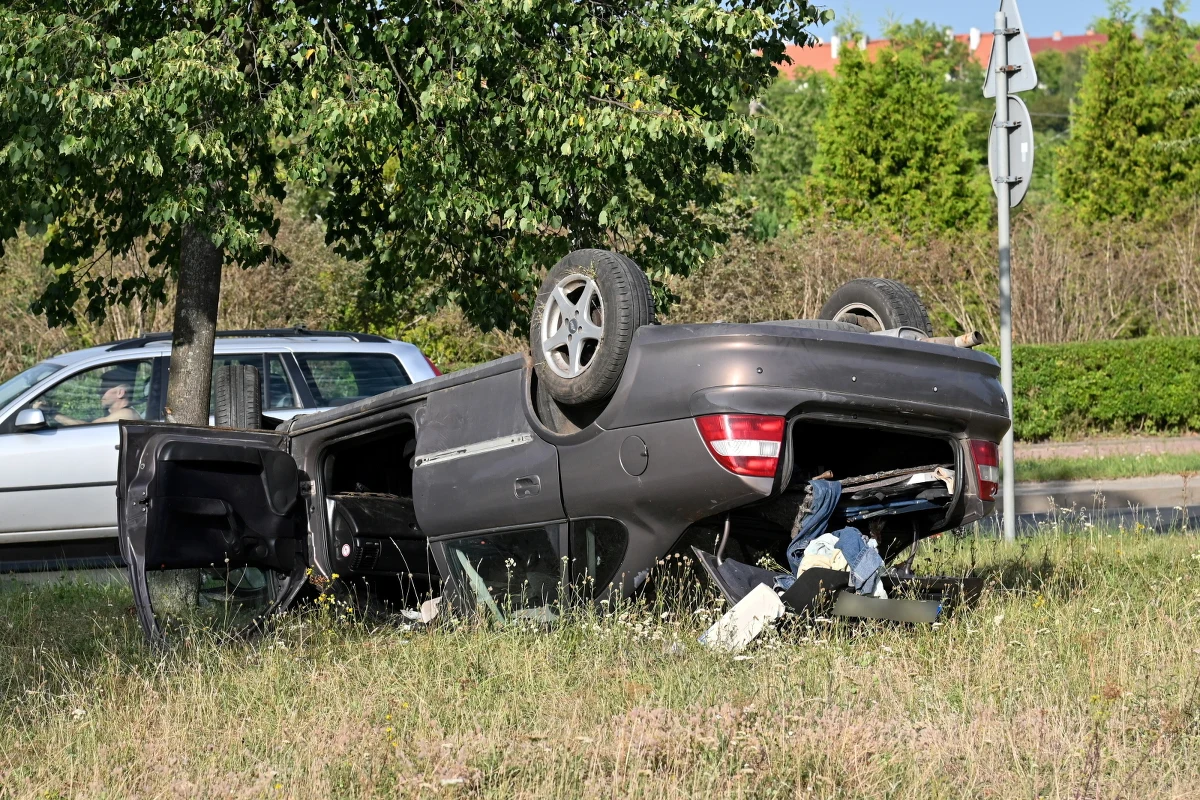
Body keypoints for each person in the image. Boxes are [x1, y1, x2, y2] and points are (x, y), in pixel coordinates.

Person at [35, 366, 143, 426]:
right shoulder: (118, 414)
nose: (99, 393)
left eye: (104, 389)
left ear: (120, 393)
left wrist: (51, 413)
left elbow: (86, 427)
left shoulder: (127, 414)